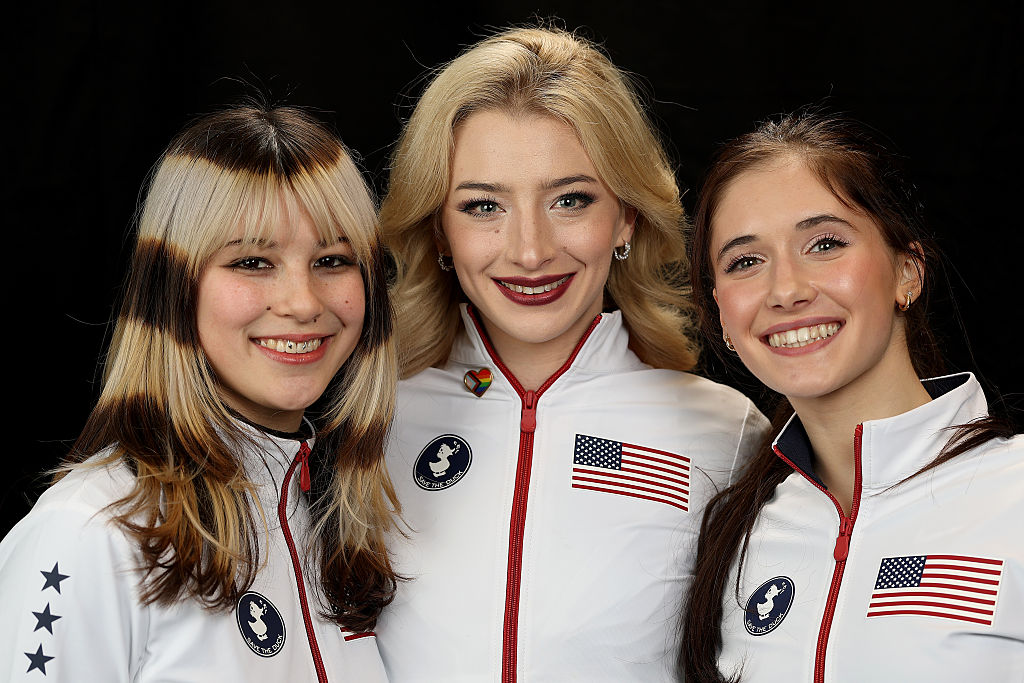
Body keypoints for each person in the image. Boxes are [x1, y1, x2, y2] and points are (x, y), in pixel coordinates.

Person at [374, 26, 768, 681]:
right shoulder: (366, 420)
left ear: (626, 216)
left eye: (570, 199)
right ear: (438, 228)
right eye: (482, 205)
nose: (529, 250)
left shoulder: (726, 434)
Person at [0, 104, 399, 682]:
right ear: (174, 289)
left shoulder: (338, 520)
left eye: (332, 260)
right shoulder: (91, 530)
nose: (304, 302)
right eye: (253, 261)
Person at [679, 111, 1023, 681]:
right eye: (746, 261)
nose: (786, 289)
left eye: (825, 244)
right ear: (720, 312)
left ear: (907, 272)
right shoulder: (738, 535)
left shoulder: (1011, 494)